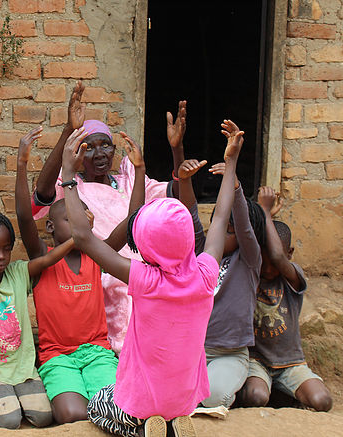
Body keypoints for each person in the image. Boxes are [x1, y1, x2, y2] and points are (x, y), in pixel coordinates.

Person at [64, 121, 242, 437]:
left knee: (99, 404)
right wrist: (231, 164)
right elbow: (220, 218)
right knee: (168, 399)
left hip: (144, 397)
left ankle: (143, 427)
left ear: (144, 243)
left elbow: (82, 235)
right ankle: (175, 420)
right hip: (186, 397)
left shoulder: (144, 278)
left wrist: (67, 175)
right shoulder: (204, 274)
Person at [31, 81, 188, 353]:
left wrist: (177, 150)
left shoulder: (130, 180)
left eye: (106, 145)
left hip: (143, 272)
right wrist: (68, 130)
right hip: (102, 272)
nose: (100, 153)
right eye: (89, 147)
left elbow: (180, 194)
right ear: (78, 153)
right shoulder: (69, 186)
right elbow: (42, 193)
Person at [15, 127, 119, 424]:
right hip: (58, 357)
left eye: (80, 218)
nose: (75, 223)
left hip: (98, 354)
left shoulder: (97, 256)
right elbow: (24, 216)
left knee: (113, 402)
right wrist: (22, 165)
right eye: (68, 219)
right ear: (50, 228)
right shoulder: (42, 259)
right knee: (72, 414)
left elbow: (131, 222)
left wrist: (139, 170)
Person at [0, 211, 75, 429]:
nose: (1, 256)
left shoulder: (18, 272)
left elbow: (48, 259)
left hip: (23, 370)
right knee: (9, 420)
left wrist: (76, 239)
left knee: (43, 417)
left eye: (6, 249)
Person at [238, 187, 333, 412]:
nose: (269, 266)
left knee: (322, 401)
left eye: (275, 259)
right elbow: (248, 241)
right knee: (256, 396)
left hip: (291, 363)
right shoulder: (250, 273)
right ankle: (272, 394)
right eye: (263, 258)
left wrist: (266, 211)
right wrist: (264, 216)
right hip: (256, 361)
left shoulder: (293, 277)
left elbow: (278, 257)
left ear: (290, 254)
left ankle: (287, 394)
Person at [200, 161, 267, 409]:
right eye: (219, 228)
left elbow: (245, 228)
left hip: (229, 354)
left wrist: (235, 185)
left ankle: (228, 387)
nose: (216, 234)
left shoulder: (248, 260)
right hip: (194, 350)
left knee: (212, 397)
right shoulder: (204, 256)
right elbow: (194, 220)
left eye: (229, 230)